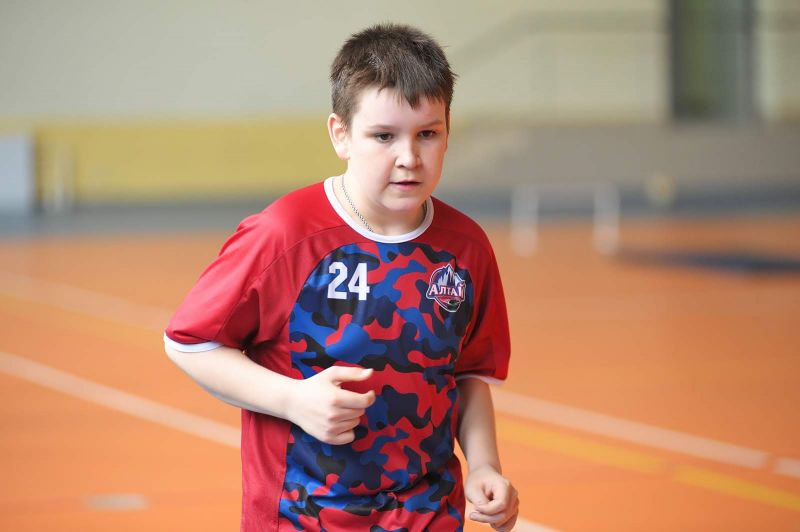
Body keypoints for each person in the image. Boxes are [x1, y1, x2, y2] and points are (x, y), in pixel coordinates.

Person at [164, 23, 519, 532]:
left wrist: (484, 465)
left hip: (429, 514)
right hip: (302, 515)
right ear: (341, 135)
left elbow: (466, 375)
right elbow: (189, 343)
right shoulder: (286, 233)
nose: (409, 157)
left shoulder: (466, 248)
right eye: (384, 136)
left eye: (427, 133)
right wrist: (293, 400)